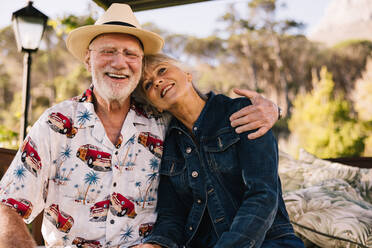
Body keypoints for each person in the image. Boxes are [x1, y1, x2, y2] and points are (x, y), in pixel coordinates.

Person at [0, 4, 279, 248]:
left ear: (140, 62)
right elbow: (7, 206)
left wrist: (269, 110)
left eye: (130, 54)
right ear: (88, 59)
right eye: (108, 51)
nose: (119, 62)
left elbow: (204, 114)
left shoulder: (164, 122)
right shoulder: (55, 123)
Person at [132, 54, 304, 248]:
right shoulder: (168, 143)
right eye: (147, 85)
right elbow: (172, 214)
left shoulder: (243, 113)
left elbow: (263, 195)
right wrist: (156, 244)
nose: (157, 81)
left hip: (268, 241)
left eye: (162, 70)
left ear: (187, 74)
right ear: (155, 105)